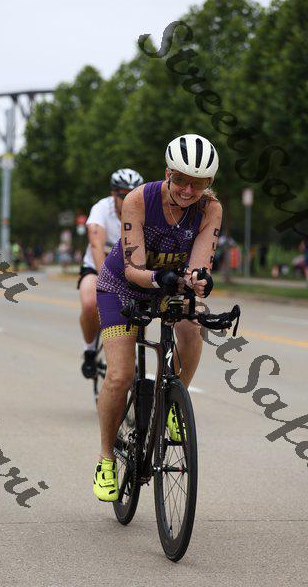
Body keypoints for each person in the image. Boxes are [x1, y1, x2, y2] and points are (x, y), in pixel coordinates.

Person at [92, 134, 222, 501]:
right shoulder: (139, 199)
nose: (187, 190)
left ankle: (172, 403)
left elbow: (198, 266)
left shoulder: (210, 209)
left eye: (198, 183)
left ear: (209, 183)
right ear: (167, 173)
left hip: (170, 284)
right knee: (120, 375)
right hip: (123, 286)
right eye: (180, 179)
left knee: (192, 326)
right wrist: (159, 278)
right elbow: (133, 268)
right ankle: (106, 459)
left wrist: (198, 280)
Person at [78, 169, 144, 378]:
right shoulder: (101, 209)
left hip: (130, 271)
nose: (127, 199)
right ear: (113, 193)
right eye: (123, 194)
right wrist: (104, 281)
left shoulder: (144, 210)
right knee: (90, 303)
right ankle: (90, 350)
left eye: (133, 194)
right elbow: (96, 245)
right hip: (98, 267)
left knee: (140, 310)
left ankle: (133, 356)